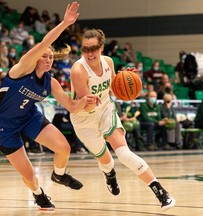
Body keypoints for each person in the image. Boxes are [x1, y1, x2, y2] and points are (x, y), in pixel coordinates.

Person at [0, 2, 99, 211]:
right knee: (29, 175)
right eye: (44, 56)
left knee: (64, 148)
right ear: (36, 57)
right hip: (3, 125)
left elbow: (72, 107)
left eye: (51, 57)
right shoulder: (21, 69)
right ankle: (38, 194)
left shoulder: (51, 82)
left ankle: (58, 175)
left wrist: (85, 102)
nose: (48, 59)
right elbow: (42, 44)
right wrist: (65, 24)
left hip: (29, 117)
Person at [69, 28, 175, 211]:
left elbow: (111, 89)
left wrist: (125, 80)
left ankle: (161, 192)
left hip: (105, 110)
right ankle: (109, 174)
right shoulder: (78, 70)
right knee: (106, 161)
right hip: (84, 119)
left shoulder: (108, 62)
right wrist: (94, 100)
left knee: (124, 153)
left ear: (102, 47)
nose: (89, 53)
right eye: (85, 49)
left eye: (93, 48)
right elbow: (86, 105)